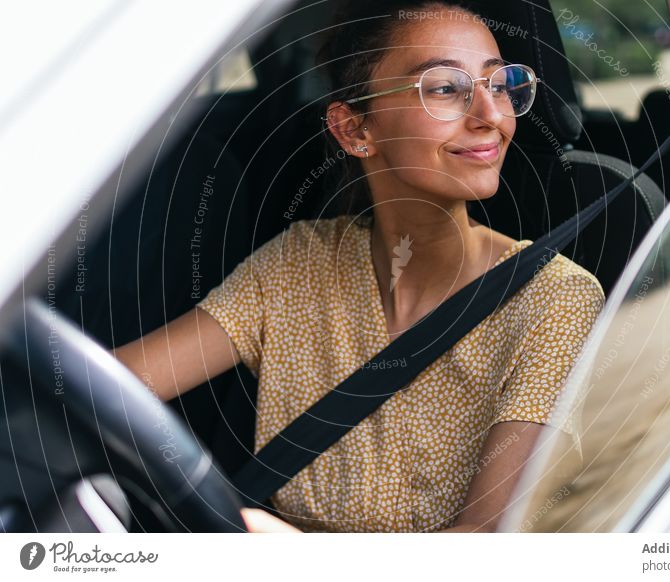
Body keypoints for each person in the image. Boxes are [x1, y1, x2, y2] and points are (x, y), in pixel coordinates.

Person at [114, 0, 605, 533]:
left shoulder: (553, 300)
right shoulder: (299, 264)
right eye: (445, 88)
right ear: (353, 131)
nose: (490, 116)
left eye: (500, 84)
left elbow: (488, 543)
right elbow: (112, 389)